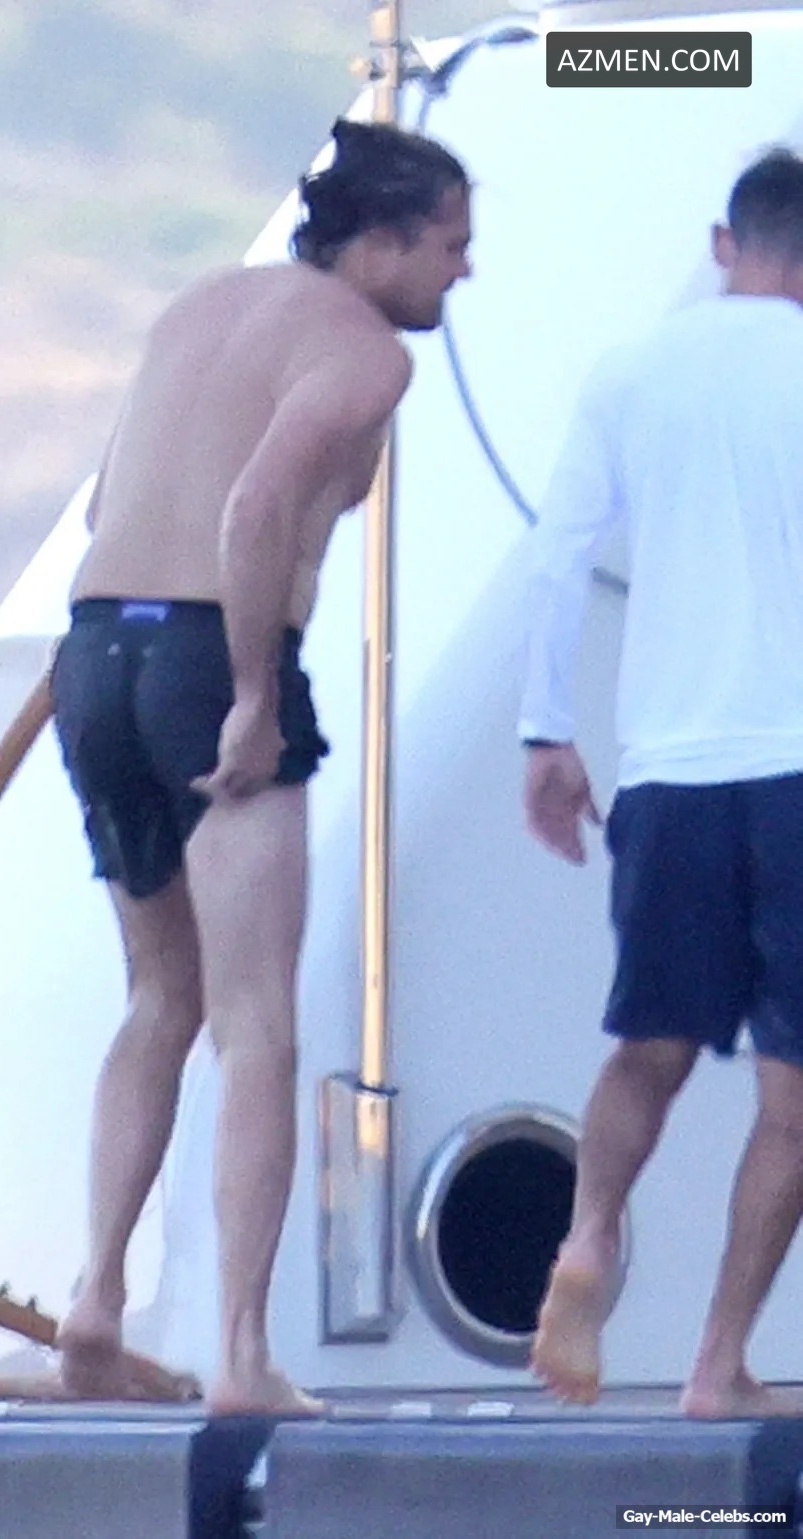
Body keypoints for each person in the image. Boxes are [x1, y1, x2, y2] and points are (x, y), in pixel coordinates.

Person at [47, 118, 473, 1415]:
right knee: (258, 1027)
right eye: (450, 247)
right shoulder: (363, 354)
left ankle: (93, 1305)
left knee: (157, 999)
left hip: (95, 651)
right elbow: (253, 507)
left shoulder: (198, 308)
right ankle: (241, 1353)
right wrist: (248, 695)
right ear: (382, 242)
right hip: (202, 660)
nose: (463, 273)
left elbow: (103, 504)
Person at [519, 147, 803, 1419]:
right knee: (793, 1098)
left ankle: (588, 1236)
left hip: (672, 775)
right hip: (798, 773)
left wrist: (546, 734)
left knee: (649, 1049)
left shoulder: (631, 373)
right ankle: (717, 1363)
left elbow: (556, 557)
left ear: (722, 244)